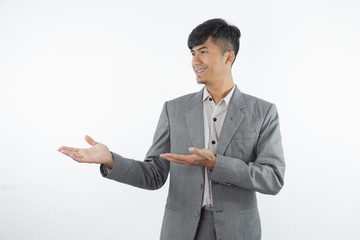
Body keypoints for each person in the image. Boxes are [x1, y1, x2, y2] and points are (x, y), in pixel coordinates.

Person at [58, 18, 285, 240]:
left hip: (238, 231)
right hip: (181, 230)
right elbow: (154, 175)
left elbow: (273, 178)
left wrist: (216, 163)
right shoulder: (173, 110)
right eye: (192, 53)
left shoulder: (263, 112)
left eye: (203, 51)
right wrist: (110, 160)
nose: (195, 60)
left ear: (229, 56)